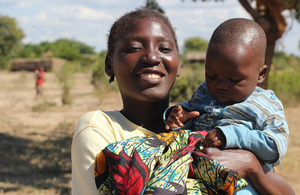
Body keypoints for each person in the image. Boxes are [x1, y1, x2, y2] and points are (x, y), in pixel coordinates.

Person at [71, 9, 295, 195]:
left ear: (178, 64)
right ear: (109, 64)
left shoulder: (244, 111)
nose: (151, 57)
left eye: (165, 49)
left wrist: (252, 166)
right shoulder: (100, 127)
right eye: (134, 48)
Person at [164, 18, 288, 166]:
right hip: (194, 171)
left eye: (233, 79)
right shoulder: (204, 92)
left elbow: (275, 146)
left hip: (241, 180)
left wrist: (232, 136)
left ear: (261, 74)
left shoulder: (266, 105)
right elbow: (188, 113)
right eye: (211, 75)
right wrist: (179, 118)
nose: (221, 85)